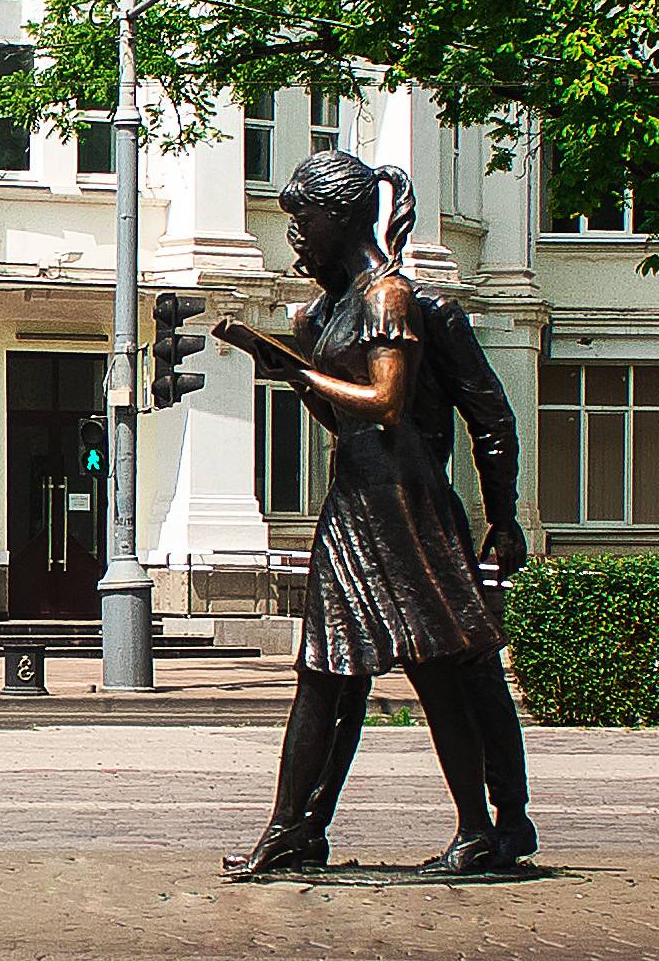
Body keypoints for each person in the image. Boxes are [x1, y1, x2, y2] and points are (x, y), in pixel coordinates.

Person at [212, 149, 535, 877]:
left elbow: (449, 414)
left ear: (342, 217)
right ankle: (293, 827)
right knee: (325, 672)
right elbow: (342, 418)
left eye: (304, 223)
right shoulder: (326, 312)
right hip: (353, 505)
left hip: (405, 511)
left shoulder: (402, 301)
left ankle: (490, 827)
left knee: (443, 671)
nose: (294, 239)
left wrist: (502, 516)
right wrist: (289, 361)